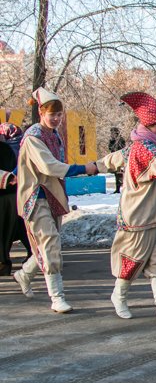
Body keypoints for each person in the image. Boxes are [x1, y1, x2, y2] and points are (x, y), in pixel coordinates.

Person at [95, 92, 156, 320]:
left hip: (152, 216)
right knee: (132, 260)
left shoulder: (139, 146)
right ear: (148, 126)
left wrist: (97, 165)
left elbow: (115, 158)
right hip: (138, 216)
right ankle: (118, 296)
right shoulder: (144, 148)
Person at [12, 88, 98, 312]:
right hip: (35, 197)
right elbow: (49, 166)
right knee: (50, 243)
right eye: (53, 114)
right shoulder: (33, 137)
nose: (57, 119)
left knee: (48, 244)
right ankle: (57, 297)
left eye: (60, 114)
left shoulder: (54, 134)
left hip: (53, 196)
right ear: (41, 112)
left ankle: (24, 273)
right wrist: (83, 168)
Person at [1, 123, 31, 277]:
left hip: (5, 197)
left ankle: (3, 263)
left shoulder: (6, 149)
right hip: (14, 195)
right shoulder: (8, 148)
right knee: (14, 230)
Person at [108, 127, 126, 193]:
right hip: (114, 159)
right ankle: (117, 189)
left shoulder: (121, 140)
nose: (112, 134)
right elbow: (110, 148)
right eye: (111, 133)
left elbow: (122, 148)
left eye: (113, 133)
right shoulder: (112, 140)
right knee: (116, 174)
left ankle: (122, 188)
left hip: (120, 159)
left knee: (120, 174)